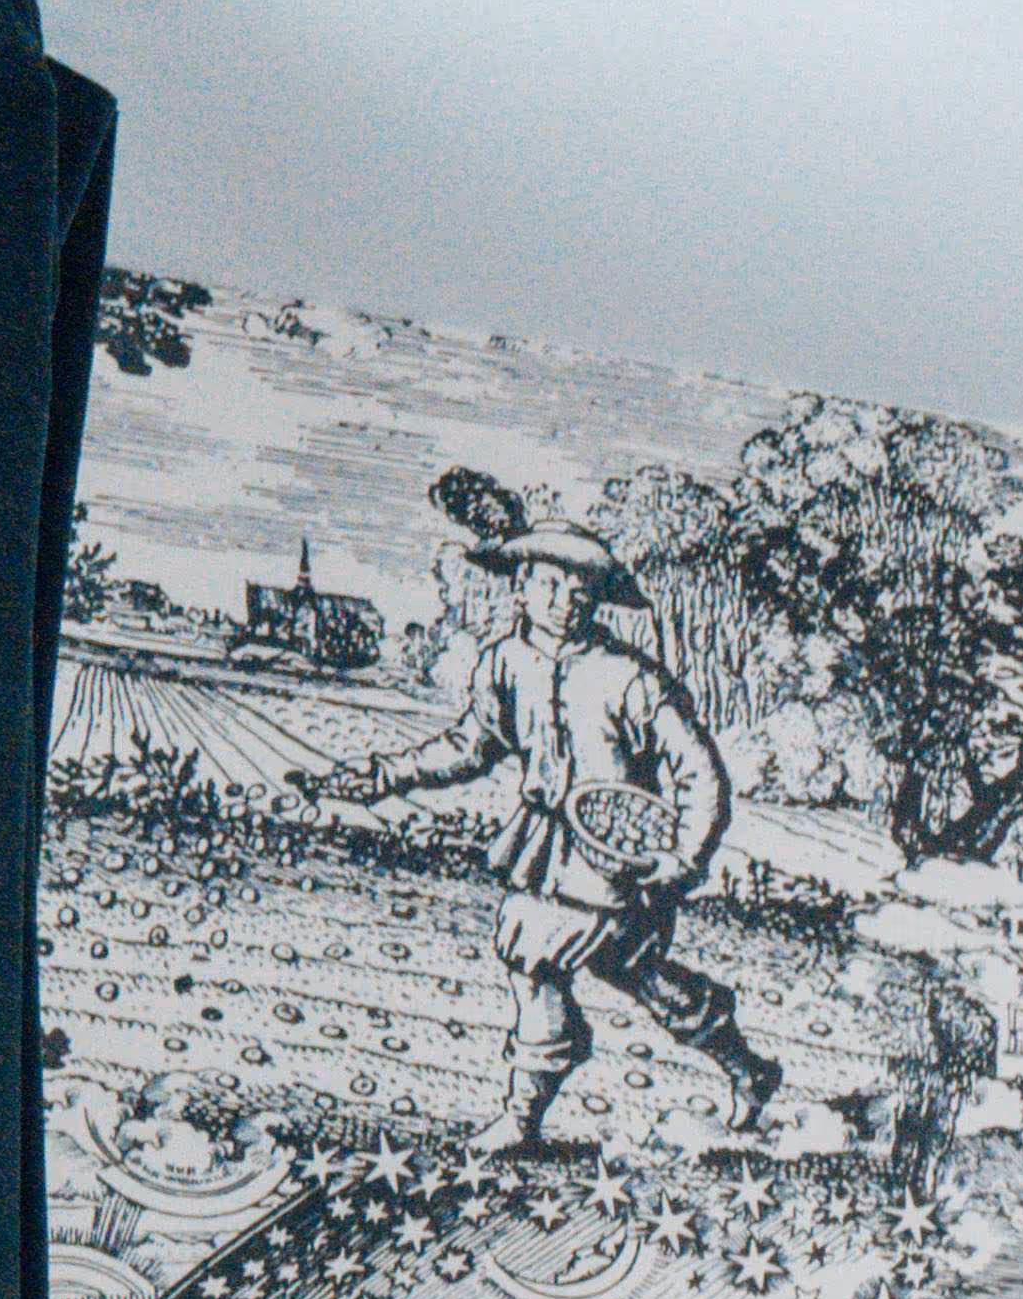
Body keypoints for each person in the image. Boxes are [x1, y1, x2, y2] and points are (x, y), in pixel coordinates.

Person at [316, 466, 780, 1154]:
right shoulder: (503, 663)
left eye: (579, 588)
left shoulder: (631, 677)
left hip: (619, 859)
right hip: (541, 846)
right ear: (522, 587)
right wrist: (384, 775)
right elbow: (471, 746)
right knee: (631, 975)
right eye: (549, 582)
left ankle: (524, 1118)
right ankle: (746, 1067)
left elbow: (698, 770)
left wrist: (681, 857)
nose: (564, 599)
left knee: (545, 964)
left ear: (596, 599)